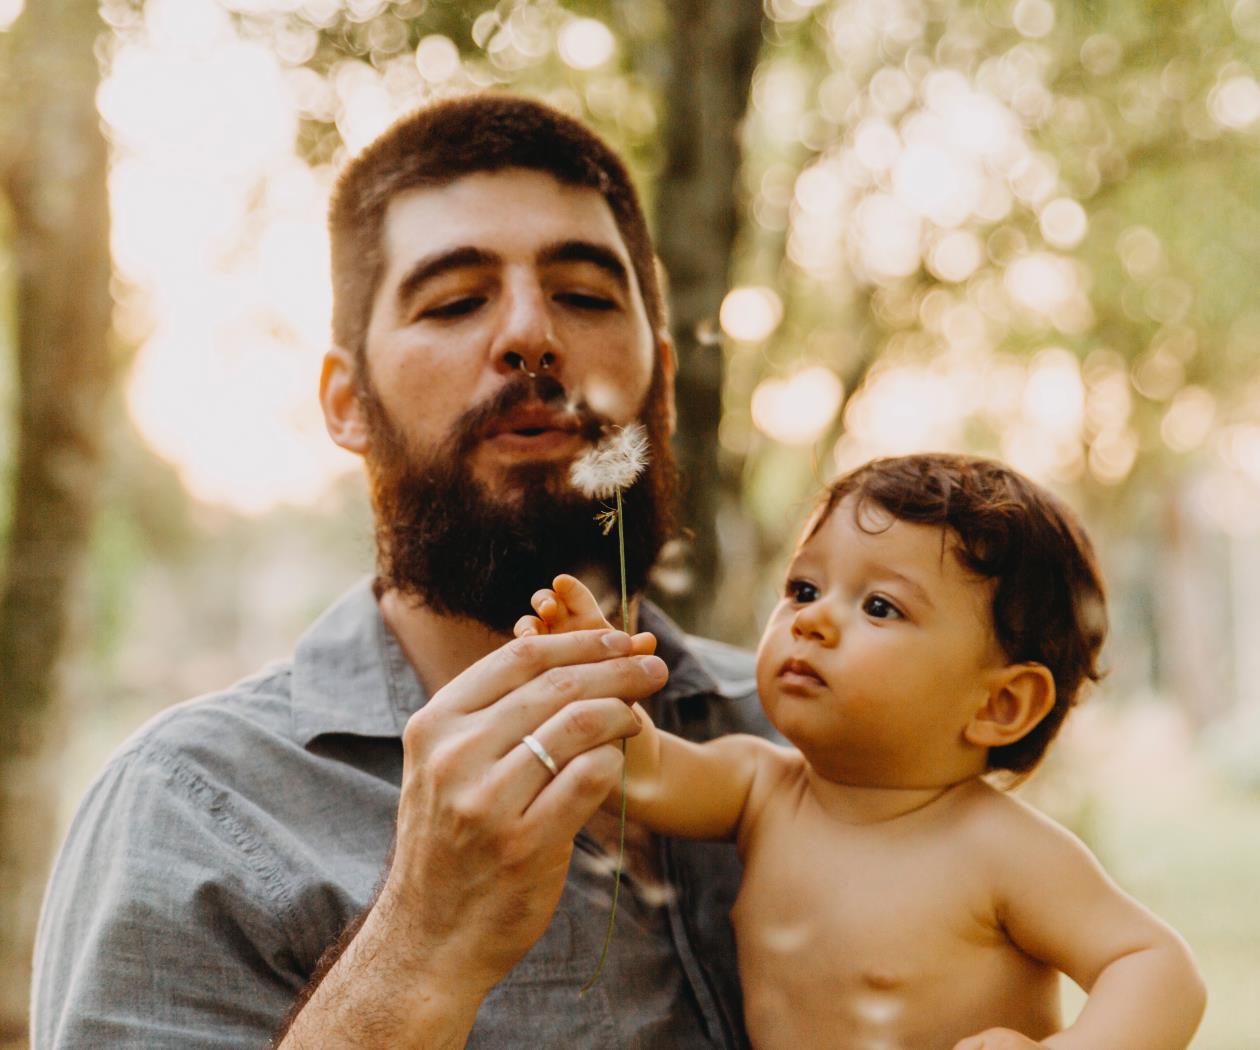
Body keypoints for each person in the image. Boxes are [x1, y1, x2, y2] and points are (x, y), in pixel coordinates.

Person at [31, 95, 774, 1049]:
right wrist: (419, 947)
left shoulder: (811, 735)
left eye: (584, 296)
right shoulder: (187, 807)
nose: (530, 334)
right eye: (455, 300)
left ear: (662, 386)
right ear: (348, 402)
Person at [517, 452, 1208, 1050]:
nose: (811, 620)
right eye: (804, 589)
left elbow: (1156, 966)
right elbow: (646, 769)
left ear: (999, 705)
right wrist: (587, 668)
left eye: (880, 607)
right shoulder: (760, 789)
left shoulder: (999, 849)